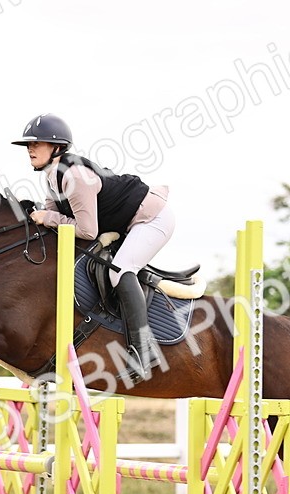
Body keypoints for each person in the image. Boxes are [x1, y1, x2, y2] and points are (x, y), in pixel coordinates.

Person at [11, 113, 174, 381]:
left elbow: (86, 231)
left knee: (119, 271)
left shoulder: (74, 176)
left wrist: (47, 217)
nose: (30, 149)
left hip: (152, 219)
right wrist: (36, 214)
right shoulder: (52, 176)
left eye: (36, 143)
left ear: (57, 148)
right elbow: (52, 216)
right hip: (126, 221)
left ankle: (144, 353)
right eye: (29, 144)